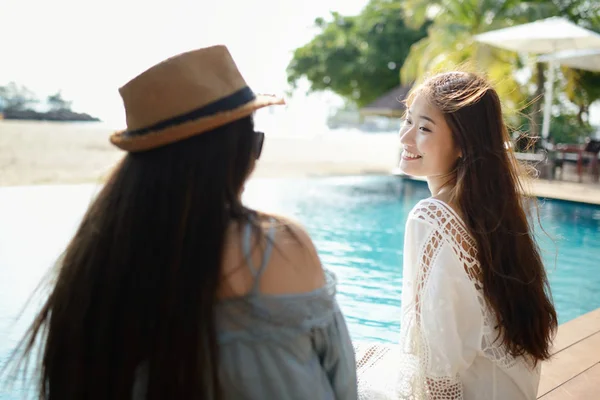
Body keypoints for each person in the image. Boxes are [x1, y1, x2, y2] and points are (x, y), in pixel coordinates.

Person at [7, 45, 357, 400]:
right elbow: (341, 383)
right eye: (253, 142)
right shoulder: (276, 246)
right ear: (233, 154)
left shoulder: (94, 258)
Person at [356, 71, 557, 400]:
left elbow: (437, 374)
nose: (405, 138)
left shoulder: (432, 217)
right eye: (407, 121)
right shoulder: (494, 212)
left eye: (423, 128)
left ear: (463, 143)